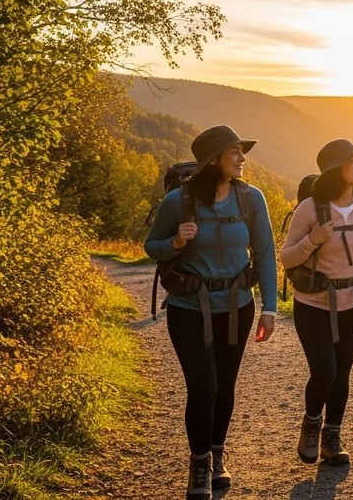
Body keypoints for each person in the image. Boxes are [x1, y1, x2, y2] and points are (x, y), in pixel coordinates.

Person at [144, 125, 278, 500]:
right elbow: (151, 246)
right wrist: (175, 241)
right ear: (213, 160)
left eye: (241, 151)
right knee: (204, 385)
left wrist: (270, 308)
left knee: (225, 386)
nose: (241, 158)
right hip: (188, 309)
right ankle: (199, 462)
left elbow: (266, 254)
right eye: (234, 152)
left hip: (238, 306)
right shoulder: (179, 201)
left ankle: (217, 454)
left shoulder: (252, 199)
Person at [280, 139, 353, 466]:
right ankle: (312, 424)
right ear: (334, 168)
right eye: (352, 161)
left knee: (342, 372)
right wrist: (313, 240)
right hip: (313, 304)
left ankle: (332, 436)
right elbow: (286, 258)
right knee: (325, 371)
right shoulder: (310, 209)